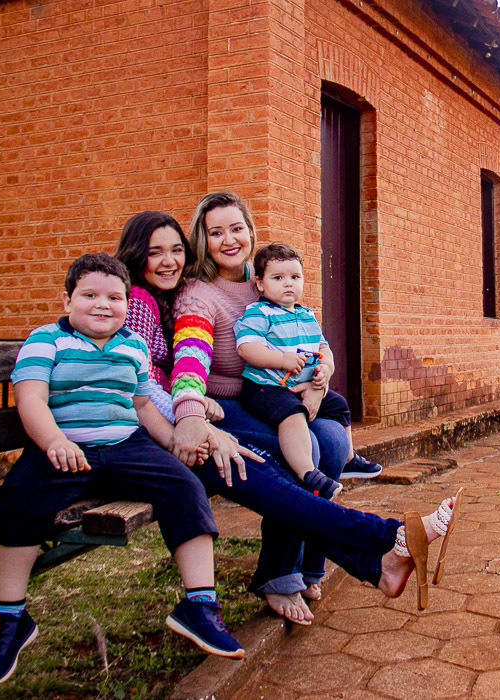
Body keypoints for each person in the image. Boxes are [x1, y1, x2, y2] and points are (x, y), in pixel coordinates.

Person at [115, 203, 461, 626]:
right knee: (302, 452)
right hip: (216, 409)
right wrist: (191, 413)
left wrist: (323, 373)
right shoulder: (185, 296)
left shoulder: (265, 277)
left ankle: (325, 566)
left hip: (264, 397)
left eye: (237, 228)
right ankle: (297, 569)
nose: (229, 240)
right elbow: (184, 362)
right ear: (202, 240)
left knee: (332, 441)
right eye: (215, 232)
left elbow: (309, 334)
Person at [0, 254, 245, 688]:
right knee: (16, 503)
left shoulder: (132, 345)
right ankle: (10, 618)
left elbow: (143, 407)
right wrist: (54, 441)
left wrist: (174, 444)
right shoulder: (45, 340)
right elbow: (31, 398)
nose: (103, 305)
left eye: (115, 297)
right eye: (89, 295)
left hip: (127, 445)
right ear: (67, 299)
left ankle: (199, 605)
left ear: (128, 302)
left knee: (185, 487)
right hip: (63, 448)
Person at [234, 242, 343, 500]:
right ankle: (308, 472)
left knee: (338, 405)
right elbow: (247, 349)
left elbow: (323, 347)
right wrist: (282, 360)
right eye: (278, 277)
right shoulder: (259, 312)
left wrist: (326, 370)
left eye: (295, 277)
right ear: (260, 283)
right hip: (265, 386)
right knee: (292, 415)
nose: (288, 284)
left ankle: (349, 459)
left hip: (300, 386)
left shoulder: (307, 315)